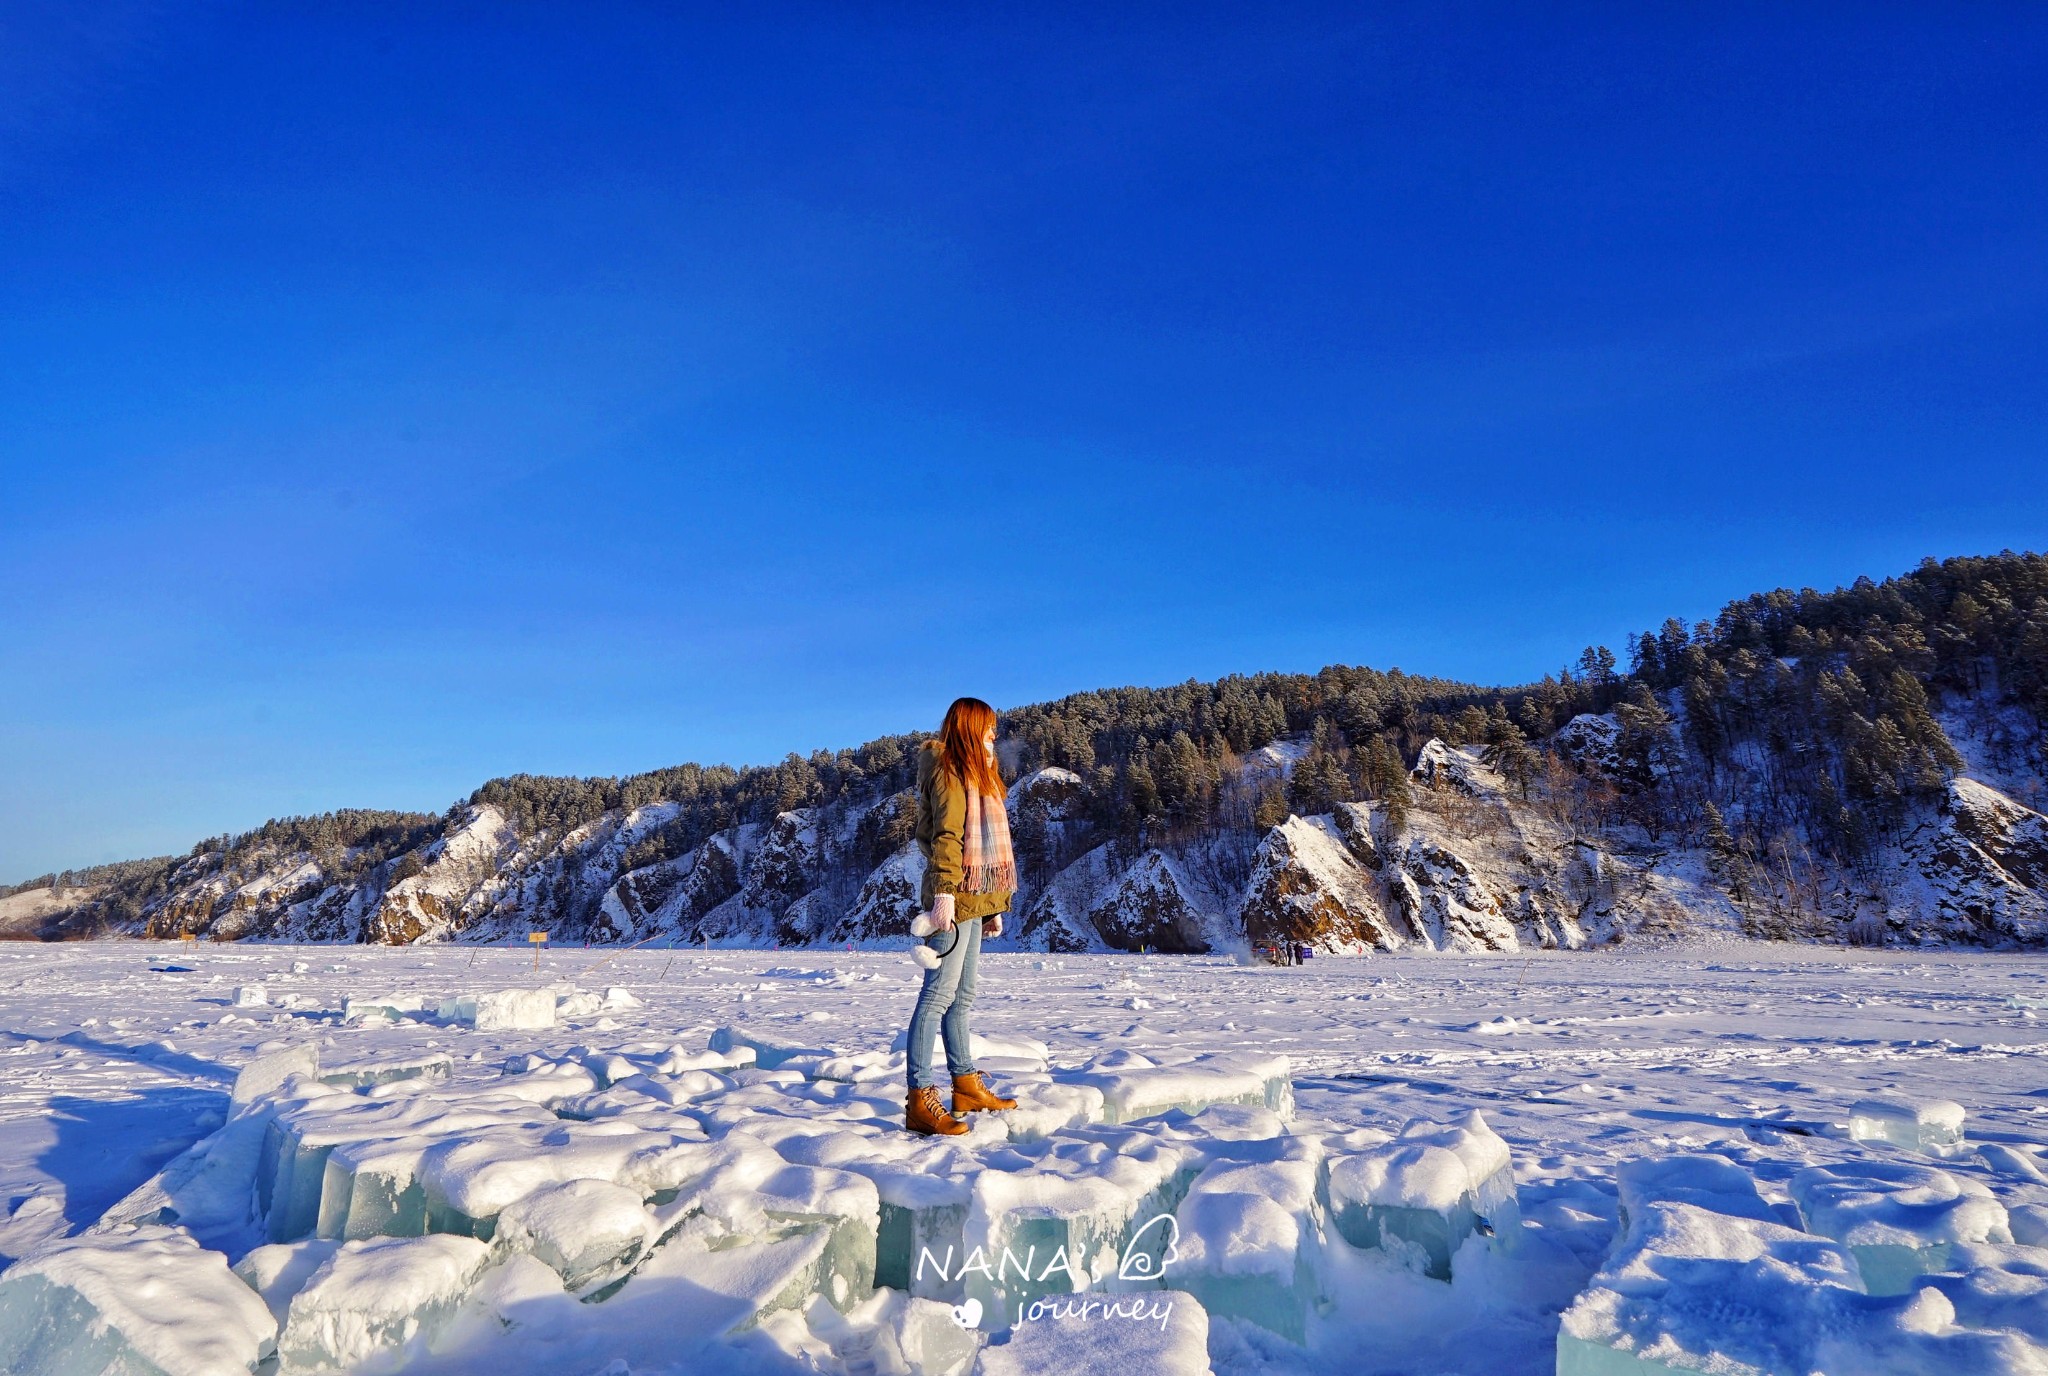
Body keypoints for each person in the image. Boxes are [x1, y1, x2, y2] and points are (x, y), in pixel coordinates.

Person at [903, 696, 1020, 1136]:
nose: (994, 734)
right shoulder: (949, 770)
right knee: (937, 996)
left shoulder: (978, 776)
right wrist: (946, 895)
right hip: (952, 898)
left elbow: (981, 847)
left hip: (973, 897)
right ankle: (919, 1098)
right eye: (988, 727)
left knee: (963, 996)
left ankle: (966, 1084)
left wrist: (990, 905)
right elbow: (946, 839)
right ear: (970, 727)